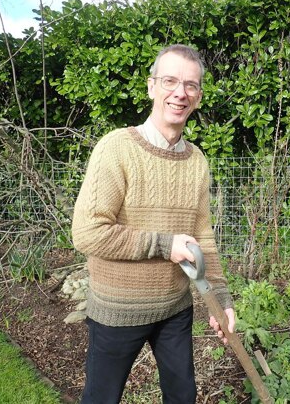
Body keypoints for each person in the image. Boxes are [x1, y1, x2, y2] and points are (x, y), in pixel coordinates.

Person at [72, 44, 235, 404]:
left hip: (175, 309)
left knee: (182, 397)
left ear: (198, 97)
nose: (180, 92)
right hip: (117, 311)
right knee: (101, 398)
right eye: (170, 81)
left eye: (190, 85)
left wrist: (221, 300)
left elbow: (203, 237)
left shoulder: (197, 161)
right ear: (151, 87)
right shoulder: (116, 148)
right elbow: (87, 232)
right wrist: (165, 245)